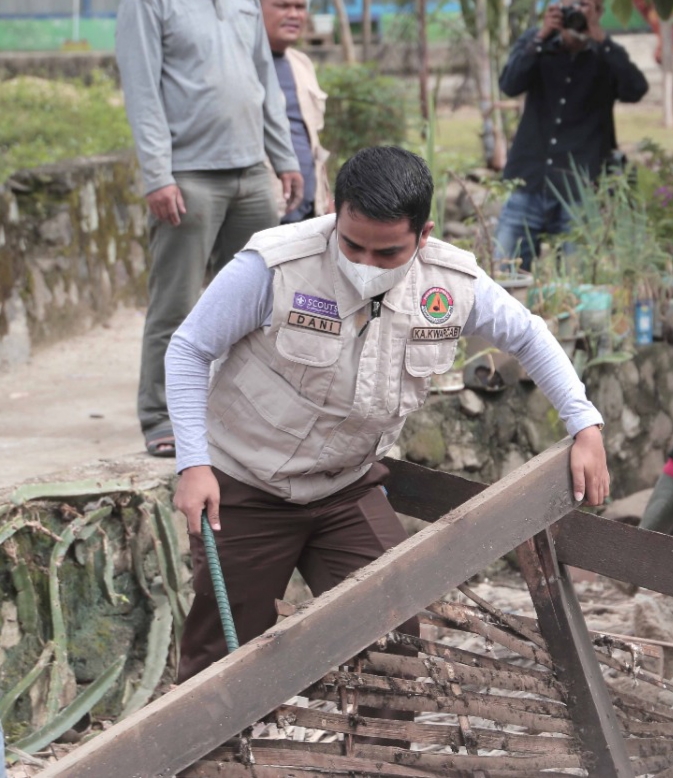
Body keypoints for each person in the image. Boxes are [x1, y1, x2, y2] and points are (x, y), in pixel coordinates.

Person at [166, 146, 609, 682]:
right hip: (246, 485)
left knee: (393, 638)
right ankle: (211, 763)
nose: (366, 265)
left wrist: (584, 425)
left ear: (423, 236)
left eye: (388, 254)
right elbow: (189, 348)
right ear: (334, 209)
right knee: (222, 659)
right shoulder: (275, 268)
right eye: (352, 246)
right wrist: (193, 464)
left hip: (345, 488)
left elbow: (529, 335)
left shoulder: (450, 285)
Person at [116, 0, 304, 458]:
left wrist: (283, 158)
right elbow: (142, 90)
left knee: (261, 303)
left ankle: (244, 414)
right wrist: (158, 174)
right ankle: (162, 416)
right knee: (176, 304)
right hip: (188, 176)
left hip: (252, 173)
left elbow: (266, 82)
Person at [494, 0, 648, 271]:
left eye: (585, 5)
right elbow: (509, 84)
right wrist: (542, 37)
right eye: (571, 4)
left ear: (598, 13)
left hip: (578, 191)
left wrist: (600, 38)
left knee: (576, 281)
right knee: (503, 274)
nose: (576, 11)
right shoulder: (536, 42)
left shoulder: (606, 54)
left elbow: (635, 89)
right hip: (528, 179)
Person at [262, 0, 334, 223]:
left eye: (300, 7)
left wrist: (326, 197)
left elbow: (311, 141)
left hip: (310, 210)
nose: (294, 14)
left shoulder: (301, 63)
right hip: (265, 209)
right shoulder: (239, 64)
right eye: (283, 6)